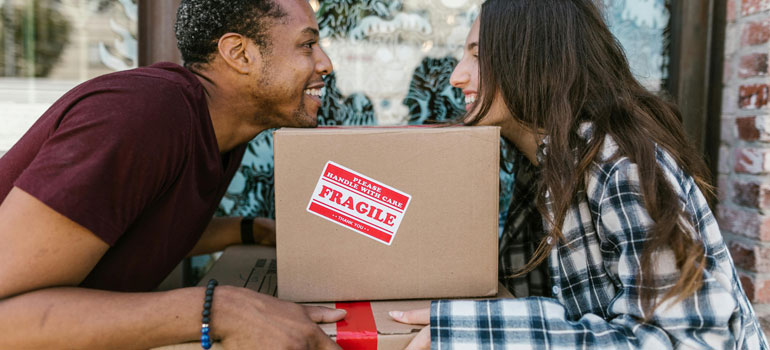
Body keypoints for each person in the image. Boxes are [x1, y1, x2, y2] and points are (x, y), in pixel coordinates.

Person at [390, 0, 769, 349]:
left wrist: (476, 328)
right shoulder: (540, 166)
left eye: (478, 56)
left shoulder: (617, 163)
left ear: (533, 61)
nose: (457, 76)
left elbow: (683, 340)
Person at [0, 0, 346, 349]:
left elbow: (116, 227)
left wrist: (247, 230)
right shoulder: (143, 115)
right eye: (307, 44)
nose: (325, 63)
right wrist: (219, 311)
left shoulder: (219, 130)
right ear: (239, 54)